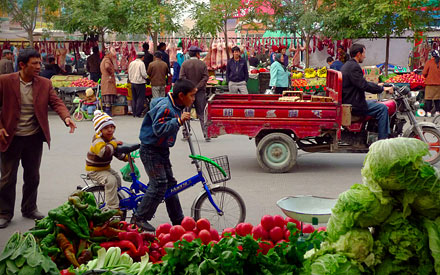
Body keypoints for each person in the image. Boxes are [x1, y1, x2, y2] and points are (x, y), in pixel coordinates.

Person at [0, 48, 77, 229]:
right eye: (34, 63)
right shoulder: (5, 82)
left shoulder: (44, 83)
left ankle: (29, 208)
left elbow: (56, 101)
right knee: (7, 178)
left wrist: (66, 117)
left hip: (34, 137)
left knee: (33, 176)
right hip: (11, 137)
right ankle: (4, 212)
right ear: (22, 65)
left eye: (39, 63)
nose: (38, 66)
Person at [134, 78, 197, 231]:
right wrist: (178, 121)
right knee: (159, 184)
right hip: (150, 150)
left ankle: (178, 220)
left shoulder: (177, 105)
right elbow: (158, 129)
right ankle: (139, 218)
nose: (194, 99)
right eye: (192, 95)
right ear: (181, 95)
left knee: (171, 185)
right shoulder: (166, 107)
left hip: (161, 149)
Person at [341, 43, 393, 140]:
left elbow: (361, 82)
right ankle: (383, 141)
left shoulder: (348, 65)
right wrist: (382, 89)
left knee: (376, 102)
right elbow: (363, 85)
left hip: (351, 99)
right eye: (364, 53)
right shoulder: (354, 67)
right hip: (354, 104)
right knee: (382, 108)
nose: (365, 56)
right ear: (358, 54)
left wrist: (377, 85)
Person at [86, 110, 127, 214]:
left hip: (104, 168)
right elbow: (104, 152)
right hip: (94, 170)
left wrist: (125, 157)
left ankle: (114, 197)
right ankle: (112, 207)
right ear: (100, 130)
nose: (110, 130)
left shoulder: (111, 139)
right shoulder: (98, 140)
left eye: (112, 127)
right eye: (106, 128)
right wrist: (113, 144)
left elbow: (115, 152)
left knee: (117, 179)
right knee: (111, 180)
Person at [179, 46, 210, 141]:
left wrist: (190, 88)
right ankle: (206, 134)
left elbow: (182, 78)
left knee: (186, 112)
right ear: (197, 54)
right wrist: (196, 87)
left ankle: (186, 134)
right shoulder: (202, 64)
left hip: (188, 93)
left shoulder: (185, 64)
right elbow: (205, 77)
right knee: (202, 113)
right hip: (200, 92)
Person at [128, 52, 148, 117]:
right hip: (140, 83)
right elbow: (143, 74)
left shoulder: (131, 63)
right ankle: (138, 113)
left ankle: (134, 112)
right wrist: (147, 78)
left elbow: (129, 73)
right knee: (140, 98)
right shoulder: (141, 63)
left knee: (134, 98)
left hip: (133, 82)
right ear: (142, 57)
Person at [100, 48, 118, 116]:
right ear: (108, 54)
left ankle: (107, 110)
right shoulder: (107, 60)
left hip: (105, 79)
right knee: (108, 94)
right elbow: (107, 67)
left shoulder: (104, 60)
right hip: (108, 80)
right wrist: (111, 72)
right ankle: (108, 111)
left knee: (107, 94)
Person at [422, 50, 440, 117]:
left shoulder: (429, 62)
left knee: (428, 98)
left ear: (432, 56)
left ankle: (428, 112)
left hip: (430, 83)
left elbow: (424, 73)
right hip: (438, 84)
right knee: (437, 98)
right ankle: (437, 112)